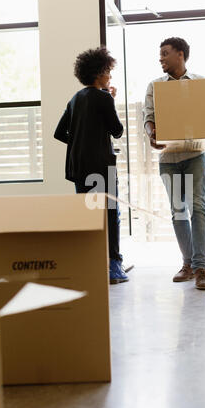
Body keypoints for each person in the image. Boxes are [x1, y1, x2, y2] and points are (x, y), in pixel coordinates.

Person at [144, 37, 205, 290]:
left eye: (165, 53)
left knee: (197, 208)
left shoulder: (200, 84)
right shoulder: (155, 86)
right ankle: (187, 264)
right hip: (168, 159)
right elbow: (149, 117)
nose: (161, 58)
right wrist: (151, 135)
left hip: (194, 156)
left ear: (181, 55)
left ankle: (201, 268)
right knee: (178, 211)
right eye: (160, 54)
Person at [54, 47, 128, 284]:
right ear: (98, 74)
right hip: (102, 168)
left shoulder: (75, 99)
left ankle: (91, 265)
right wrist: (111, 100)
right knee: (110, 214)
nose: (110, 77)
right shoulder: (104, 97)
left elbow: (59, 133)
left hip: (79, 168)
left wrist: (80, 143)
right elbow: (117, 131)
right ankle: (114, 266)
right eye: (108, 72)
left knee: (87, 216)